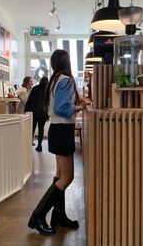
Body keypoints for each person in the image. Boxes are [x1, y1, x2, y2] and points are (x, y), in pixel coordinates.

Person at [28, 49, 86, 235]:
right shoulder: (66, 80)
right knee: (67, 177)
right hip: (62, 130)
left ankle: (58, 215)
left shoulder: (54, 80)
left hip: (56, 130)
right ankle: (38, 215)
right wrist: (81, 106)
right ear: (66, 62)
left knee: (60, 174)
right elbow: (63, 109)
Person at [25, 76, 49, 151]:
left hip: (34, 112)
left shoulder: (35, 88)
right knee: (41, 129)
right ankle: (39, 145)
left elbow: (30, 100)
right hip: (44, 112)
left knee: (32, 128)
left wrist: (26, 109)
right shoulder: (47, 90)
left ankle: (29, 144)